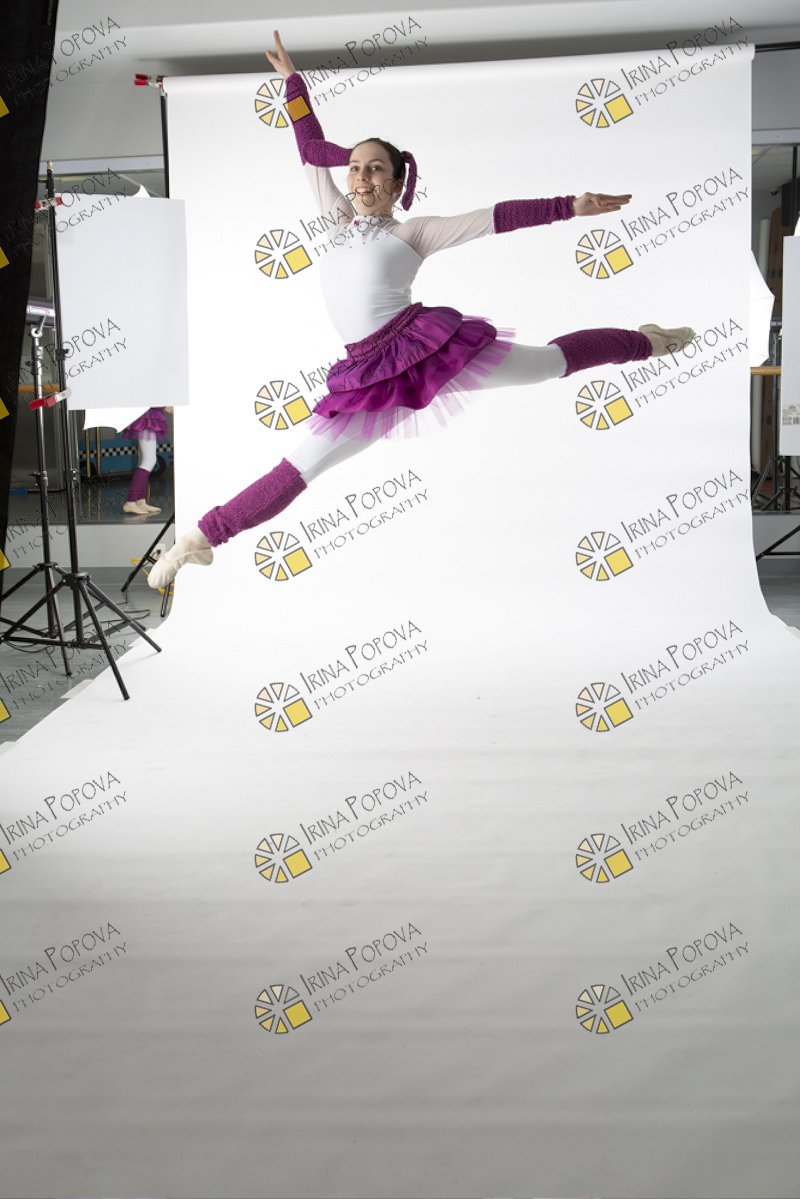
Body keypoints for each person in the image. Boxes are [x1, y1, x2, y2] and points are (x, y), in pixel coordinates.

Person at [149, 30, 694, 588]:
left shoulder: (414, 231)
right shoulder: (335, 219)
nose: (361, 176)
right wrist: (293, 82)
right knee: (303, 464)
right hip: (368, 372)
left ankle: (649, 341)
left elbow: (493, 218)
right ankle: (197, 542)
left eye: (375, 169)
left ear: (395, 182)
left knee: (550, 363)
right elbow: (308, 149)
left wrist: (569, 207)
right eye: (355, 168)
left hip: (430, 350)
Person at [121, 406, 172, 515]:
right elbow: (147, 397)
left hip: (147, 417)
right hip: (146, 418)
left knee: (144, 460)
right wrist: (165, 405)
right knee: (149, 460)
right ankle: (131, 501)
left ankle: (140, 501)